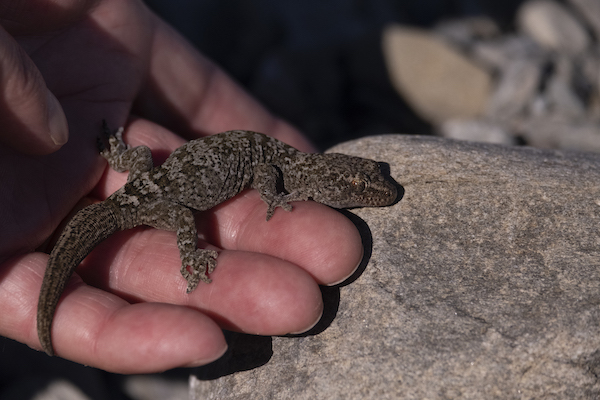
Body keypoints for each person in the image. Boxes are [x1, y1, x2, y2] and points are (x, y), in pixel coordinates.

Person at [0, 0, 364, 373]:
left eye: (360, 182)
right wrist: (263, 203)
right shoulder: (285, 167)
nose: (364, 190)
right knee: (182, 217)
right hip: (154, 200)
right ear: (326, 180)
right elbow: (261, 175)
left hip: (150, 183)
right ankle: (187, 256)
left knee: (143, 158)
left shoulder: (291, 163)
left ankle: (120, 157)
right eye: (359, 183)